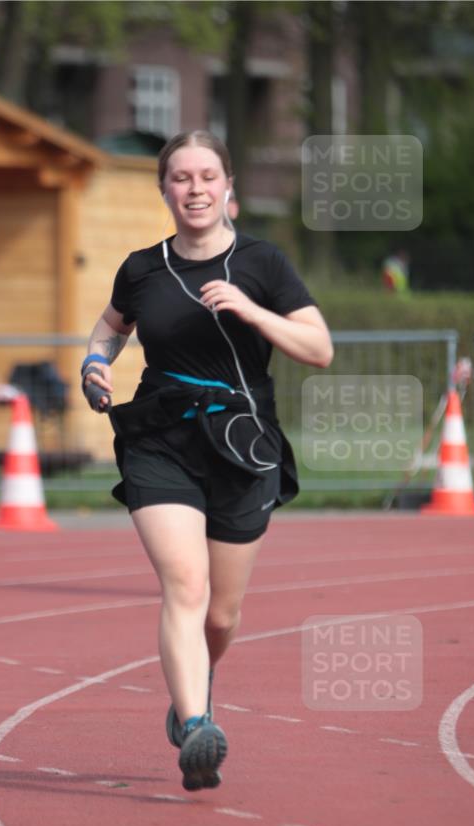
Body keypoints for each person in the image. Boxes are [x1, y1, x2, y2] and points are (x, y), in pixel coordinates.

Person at [81, 131, 333, 792]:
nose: (194, 189)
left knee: (220, 615)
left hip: (241, 445)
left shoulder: (262, 263)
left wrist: (251, 310)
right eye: (181, 178)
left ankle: (195, 684)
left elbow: (318, 348)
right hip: (160, 437)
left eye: (206, 177)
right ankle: (196, 727)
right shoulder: (141, 268)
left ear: (228, 190)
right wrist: (94, 362)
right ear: (164, 189)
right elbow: (110, 326)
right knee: (184, 585)